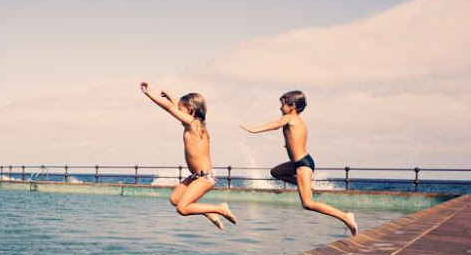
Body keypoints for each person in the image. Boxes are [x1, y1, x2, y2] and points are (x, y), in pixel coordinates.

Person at [241, 90, 358, 235]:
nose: (280, 108)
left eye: (283, 105)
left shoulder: (290, 117)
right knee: (275, 172)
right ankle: (306, 185)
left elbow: (277, 124)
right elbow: (296, 139)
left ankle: (345, 216)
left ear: (293, 106)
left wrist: (255, 129)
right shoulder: (298, 122)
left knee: (308, 204)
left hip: (303, 164)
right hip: (298, 163)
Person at [140, 82, 237, 230]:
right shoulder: (194, 123)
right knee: (175, 199)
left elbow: (170, 108)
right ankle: (209, 212)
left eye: (181, 109)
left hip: (206, 177)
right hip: (196, 176)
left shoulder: (192, 123)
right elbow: (174, 108)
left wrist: (149, 94)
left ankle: (219, 208)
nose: (178, 113)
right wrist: (171, 97)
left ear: (190, 110)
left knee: (183, 208)